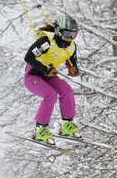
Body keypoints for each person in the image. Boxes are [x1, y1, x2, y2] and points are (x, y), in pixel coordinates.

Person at [24, 15, 81, 145]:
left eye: (73, 35)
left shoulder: (71, 47)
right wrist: (45, 69)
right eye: (68, 34)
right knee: (50, 95)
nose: (70, 38)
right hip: (33, 76)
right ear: (59, 31)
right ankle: (40, 129)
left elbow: (71, 62)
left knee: (67, 90)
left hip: (49, 77)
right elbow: (28, 57)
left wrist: (74, 69)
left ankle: (67, 124)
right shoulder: (47, 42)